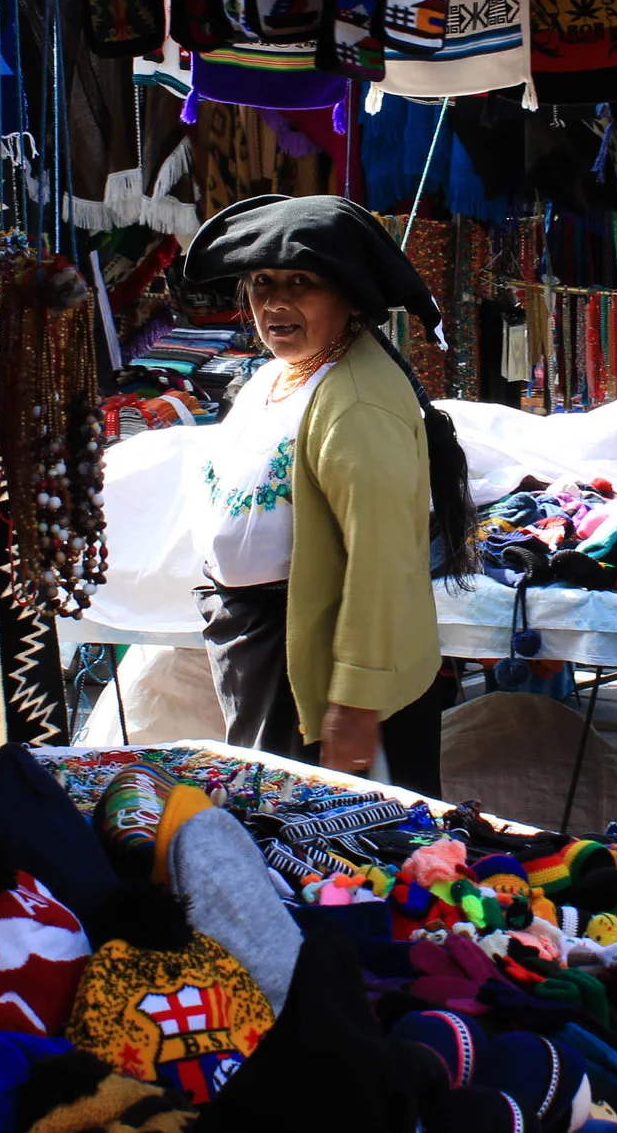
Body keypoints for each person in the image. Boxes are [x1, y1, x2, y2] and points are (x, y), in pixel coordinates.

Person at [178, 194, 474, 792]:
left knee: (339, 856)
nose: (275, 302)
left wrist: (357, 699)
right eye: (262, 282)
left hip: (316, 664)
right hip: (267, 649)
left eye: (301, 283)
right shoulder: (275, 372)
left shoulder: (358, 401)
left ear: (349, 295)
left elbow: (383, 557)